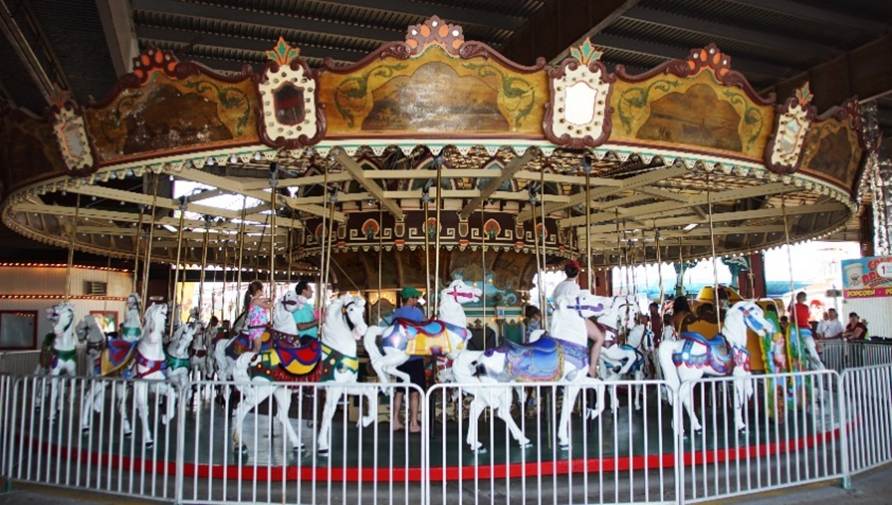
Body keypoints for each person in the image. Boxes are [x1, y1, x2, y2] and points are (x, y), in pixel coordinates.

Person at [552, 260, 604, 376]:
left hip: (559, 318)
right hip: (572, 318)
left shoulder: (558, 287)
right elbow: (578, 307)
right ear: (578, 272)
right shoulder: (574, 287)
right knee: (599, 338)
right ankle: (592, 369)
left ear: (566, 272)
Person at [392, 287, 425, 433]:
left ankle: (395, 421)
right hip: (414, 355)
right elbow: (424, 328)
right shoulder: (416, 312)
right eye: (415, 297)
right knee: (414, 391)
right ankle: (413, 423)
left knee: (399, 390)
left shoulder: (396, 313)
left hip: (400, 357)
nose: (416, 300)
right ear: (410, 298)